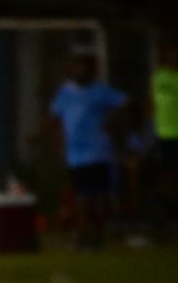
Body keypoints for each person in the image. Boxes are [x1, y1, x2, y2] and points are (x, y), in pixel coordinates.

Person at [50, 53, 127, 251]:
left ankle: (96, 237)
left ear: (92, 70)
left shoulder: (100, 92)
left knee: (97, 197)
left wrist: (113, 121)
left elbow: (126, 104)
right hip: (76, 155)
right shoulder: (65, 92)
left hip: (98, 151)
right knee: (81, 197)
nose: (79, 71)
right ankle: (84, 236)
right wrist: (53, 143)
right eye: (76, 67)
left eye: (83, 67)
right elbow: (55, 118)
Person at [149, 41, 178, 225]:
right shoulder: (158, 77)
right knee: (167, 172)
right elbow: (150, 102)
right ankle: (170, 210)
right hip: (163, 133)